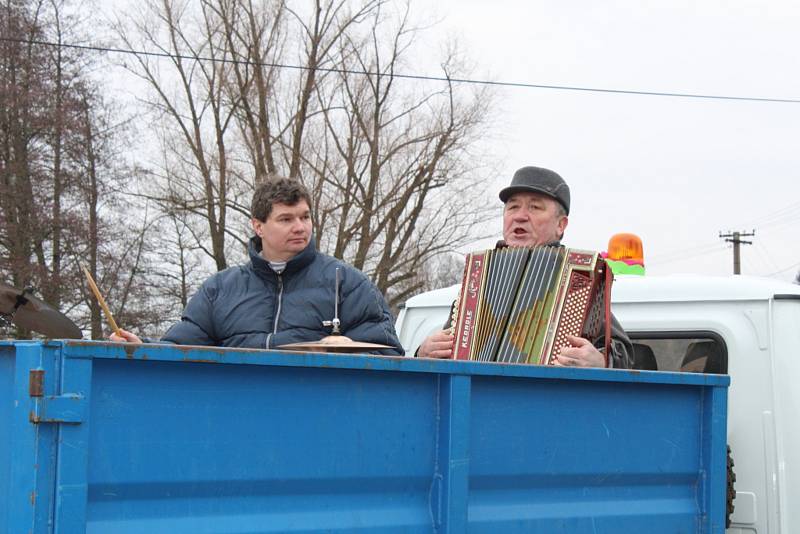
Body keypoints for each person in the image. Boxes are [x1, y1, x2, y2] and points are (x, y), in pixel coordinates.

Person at [111, 178, 404, 355]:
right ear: (258, 226)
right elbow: (182, 349)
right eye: (286, 219)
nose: (300, 227)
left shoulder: (348, 284)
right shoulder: (219, 289)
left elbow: (386, 352)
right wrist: (143, 346)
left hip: (320, 420)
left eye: (305, 217)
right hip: (235, 421)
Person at [416, 165, 633, 368]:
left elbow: (626, 355)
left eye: (535, 207)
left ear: (561, 225)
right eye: (513, 206)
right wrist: (423, 354)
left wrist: (602, 362)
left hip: (547, 402)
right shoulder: (480, 276)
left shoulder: (579, 280)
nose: (520, 216)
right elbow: (447, 356)